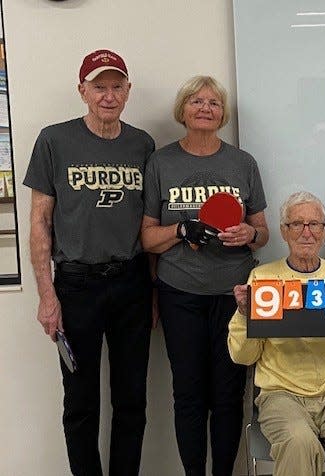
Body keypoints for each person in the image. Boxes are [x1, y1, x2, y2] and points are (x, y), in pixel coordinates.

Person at [24, 49, 155, 475]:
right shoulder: (54, 140)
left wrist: (151, 291)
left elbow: (148, 225)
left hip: (132, 283)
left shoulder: (142, 145)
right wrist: (47, 295)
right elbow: (40, 223)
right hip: (76, 286)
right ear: (82, 90)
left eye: (117, 86)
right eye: (99, 86)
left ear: (128, 91)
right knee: (80, 401)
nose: (108, 95)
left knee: (132, 399)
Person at [140, 75, 269, 476]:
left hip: (235, 296)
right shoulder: (161, 162)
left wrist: (250, 234)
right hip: (181, 294)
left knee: (229, 395)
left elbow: (262, 232)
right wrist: (181, 229)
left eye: (213, 103)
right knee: (190, 395)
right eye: (196, 101)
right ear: (183, 110)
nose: (205, 108)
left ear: (222, 114)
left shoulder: (243, 163)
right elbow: (146, 238)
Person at [228, 191, 325, 476]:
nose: (306, 233)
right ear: (283, 231)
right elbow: (244, 356)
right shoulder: (263, 279)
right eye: (297, 224)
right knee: (299, 442)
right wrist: (244, 314)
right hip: (282, 392)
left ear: (323, 231)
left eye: (314, 225)